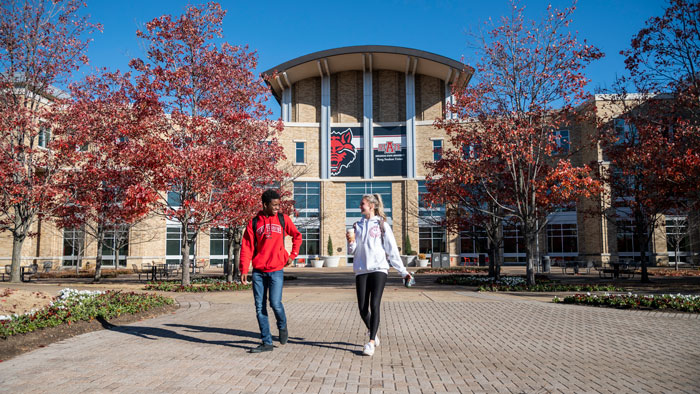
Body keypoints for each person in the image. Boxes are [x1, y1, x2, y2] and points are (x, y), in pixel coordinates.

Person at [347, 193, 411, 357]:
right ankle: (373, 332)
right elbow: (353, 251)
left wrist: (403, 272)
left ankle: (371, 342)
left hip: (379, 269)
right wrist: (351, 241)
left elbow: (392, 250)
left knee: (374, 304)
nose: (360, 206)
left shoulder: (382, 225)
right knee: (362, 308)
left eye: (362, 204)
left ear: (371, 206)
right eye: (360, 204)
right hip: (361, 270)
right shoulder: (357, 225)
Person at [240, 189, 302, 353]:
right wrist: (244, 268)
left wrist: (292, 255)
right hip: (258, 272)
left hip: (276, 270)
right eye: (274, 205)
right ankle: (266, 342)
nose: (277, 208)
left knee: (275, 303)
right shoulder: (254, 223)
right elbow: (246, 247)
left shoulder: (283, 219)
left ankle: (282, 325)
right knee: (259, 307)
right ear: (265, 205)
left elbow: (297, 236)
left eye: (278, 205)